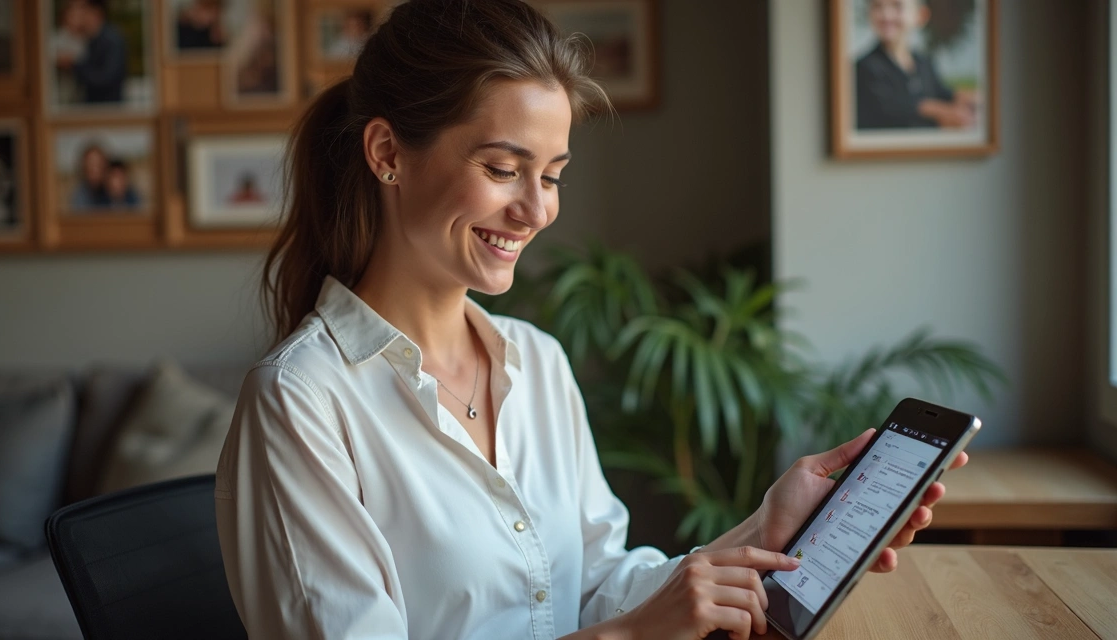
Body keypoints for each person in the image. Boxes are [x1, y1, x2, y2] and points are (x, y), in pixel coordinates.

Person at [215, 1, 967, 638]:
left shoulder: (536, 362)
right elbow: (627, 625)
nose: (535, 210)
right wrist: (635, 635)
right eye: (502, 169)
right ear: (388, 153)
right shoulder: (300, 402)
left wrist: (766, 529)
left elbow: (599, 584)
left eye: (552, 176)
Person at [854, 0, 977, 130]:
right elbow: (893, 107)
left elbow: (943, 93)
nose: (886, 15)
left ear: (921, 15)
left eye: (897, 6)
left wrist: (972, 100)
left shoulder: (924, 63)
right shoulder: (864, 68)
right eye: (877, 6)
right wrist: (940, 112)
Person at [56, 0, 127, 104]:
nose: (77, 14)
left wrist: (74, 65)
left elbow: (106, 79)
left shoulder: (111, 41)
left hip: (106, 108)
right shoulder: (87, 39)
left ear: (95, 12)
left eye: (82, 9)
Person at [70, 143, 109, 210]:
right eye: (91, 164)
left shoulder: (112, 191)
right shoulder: (79, 196)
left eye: (98, 164)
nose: (95, 169)